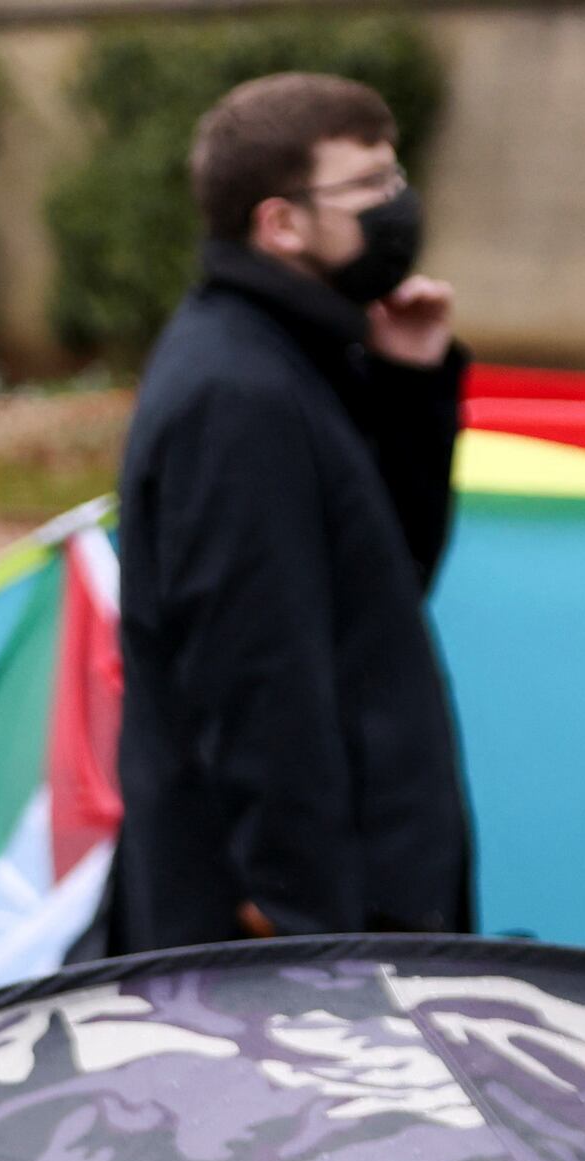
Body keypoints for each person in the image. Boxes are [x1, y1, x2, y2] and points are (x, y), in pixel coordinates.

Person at [107, 71, 471, 952]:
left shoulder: (301, 353)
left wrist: (409, 386)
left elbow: (388, 578)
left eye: (397, 178)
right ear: (280, 222)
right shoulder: (237, 393)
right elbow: (253, 678)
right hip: (299, 928)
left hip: (356, 890)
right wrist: (295, 922)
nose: (397, 207)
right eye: (368, 188)